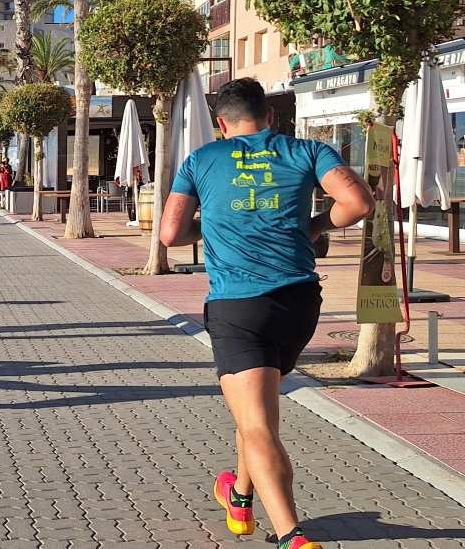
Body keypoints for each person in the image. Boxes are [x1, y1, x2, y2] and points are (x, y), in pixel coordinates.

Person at [159, 78, 373, 549]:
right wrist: (314, 226)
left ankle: (291, 536)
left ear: (221, 123)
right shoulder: (308, 151)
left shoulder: (201, 159)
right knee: (254, 409)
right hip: (300, 304)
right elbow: (359, 203)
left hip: (239, 307)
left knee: (257, 425)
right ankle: (239, 495)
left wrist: (218, 224)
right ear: (270, 117)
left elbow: (170, 234)